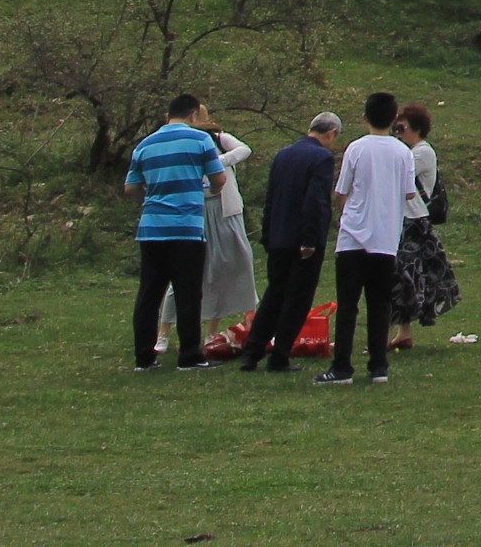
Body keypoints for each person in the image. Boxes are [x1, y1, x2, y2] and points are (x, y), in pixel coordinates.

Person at [122, 94, 227, 372]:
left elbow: (130, 188)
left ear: (168, 115)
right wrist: (208, 191)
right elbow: (219, 179)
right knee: (188, 293)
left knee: (149, 294)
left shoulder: (145, 144)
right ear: (193, 115)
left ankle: (144, 357)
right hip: (186, 228)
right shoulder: (200, 140)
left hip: (152, 229)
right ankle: (190, 355)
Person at [320, 90, 418, 386]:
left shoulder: (356, 148)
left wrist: (346, 214)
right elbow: (409, 191)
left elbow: (341, 191)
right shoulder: (403, 152)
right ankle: (378, 365)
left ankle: (342, 367)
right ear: (394, 119)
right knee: (380, 304)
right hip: (385, 238)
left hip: (352, 239)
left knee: (348, 304)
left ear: (365, 117)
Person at [240, 113, 340, 373]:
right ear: (330, 133)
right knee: (297, 298)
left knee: (274, 294)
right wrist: (310, 239)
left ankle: (252, 351)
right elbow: (316, 201)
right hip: (302, 240)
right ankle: (280, 354)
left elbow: (271, 197)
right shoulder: (322, 158)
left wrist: (268, 233)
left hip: (279, 236)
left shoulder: (283, 155)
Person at [161, 103, 255, 360]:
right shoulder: (182, 142)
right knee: (188, 271)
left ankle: (215, 330)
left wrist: (217, 161)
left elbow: (244, 149)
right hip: (196, 210)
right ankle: (164, 332)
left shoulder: (216, 137)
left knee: (230, 264)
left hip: (224, 208)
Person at [388, 102, 458, 347]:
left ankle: (402, 330)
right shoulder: (407, 151)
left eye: (401, 127)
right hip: (402, 220)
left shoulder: (422, 152)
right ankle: (403, 333)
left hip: (414, 222)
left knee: (407, 274)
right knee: (401, 277)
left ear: (415, 127)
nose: (397, 132)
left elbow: (397, 174)